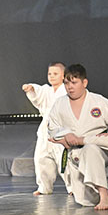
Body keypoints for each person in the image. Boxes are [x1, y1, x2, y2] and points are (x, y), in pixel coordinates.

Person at [46, 64, 108, 210]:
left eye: (74, 82)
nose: (70, 87)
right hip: (75, 153)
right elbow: (52, 128)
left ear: (84, 83)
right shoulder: (60, 104)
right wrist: (66, 134)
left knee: (90, 149)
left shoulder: (97, 101)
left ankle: (104, 196)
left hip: (99, 149)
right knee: (85, 200)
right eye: (66, 83)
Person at [22, 62, 69, 195]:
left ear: (63, 76)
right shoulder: (47, 90)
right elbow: (38, 91)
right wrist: (31, 88)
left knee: (64, 159)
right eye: (49, 74)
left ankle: (73, 187)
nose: (52, 76)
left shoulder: (66, 90)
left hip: (61, 128)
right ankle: (44, 187)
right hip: (45, 129)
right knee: (41, 158)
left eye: (55, 74)